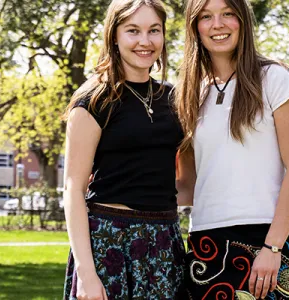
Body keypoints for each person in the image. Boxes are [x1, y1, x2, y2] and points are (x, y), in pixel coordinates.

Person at [174, 0, 289, 299]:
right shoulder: (189, 92)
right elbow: (188, 184)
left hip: (266, 239)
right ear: (195, 27)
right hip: (205, 242)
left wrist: (273, 247)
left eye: (227, 14)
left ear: (243, 21)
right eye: (206, 17)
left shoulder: (275, 78)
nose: (217, 24)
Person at [61, 0, 186, 299]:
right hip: (109, 244)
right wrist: (86, 273)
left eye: (154, 30)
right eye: (133, 31)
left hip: (165, 241)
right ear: (113, 36)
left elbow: (183, 179)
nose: (145, 41)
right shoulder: (94, 100)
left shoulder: (174, 98)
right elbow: (73, 188)